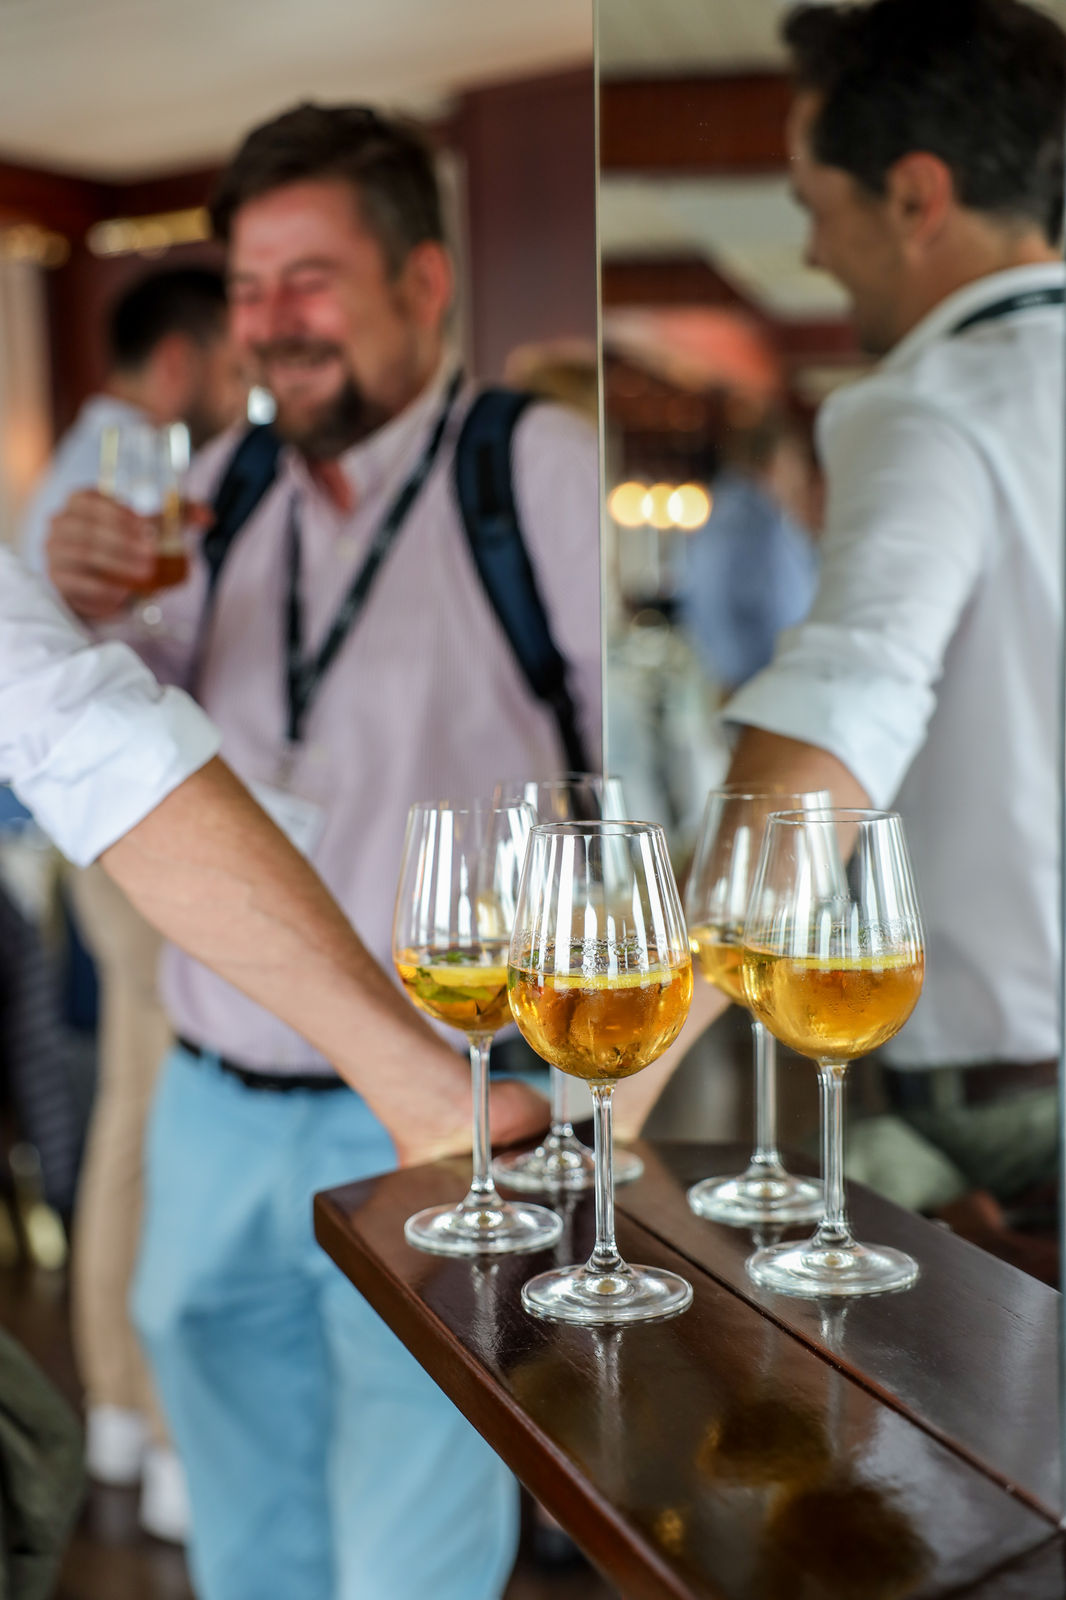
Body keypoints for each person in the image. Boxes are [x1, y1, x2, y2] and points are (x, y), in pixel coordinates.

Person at [45, 103, 600, 1599]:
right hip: (212, 1099)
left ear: (425, 281)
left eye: (309, 280)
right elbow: (136, 726)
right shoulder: (219, 482)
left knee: (415, 1537)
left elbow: (648, 770)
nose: (269, 323)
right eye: (246, 288)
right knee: (242, 1538)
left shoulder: (532, 470)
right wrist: (88, 610)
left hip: (433, 1104)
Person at [654, 0, 1065, 1262]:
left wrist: (610, 1084)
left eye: (814, 201)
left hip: (1013, 1112)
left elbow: (843, 705)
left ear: (914, 194)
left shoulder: (929, 408)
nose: (813, 247)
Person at [21, 265, 245, 1535]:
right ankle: (163, 1435)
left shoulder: (75, 464)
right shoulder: (133, 470)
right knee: (167, 1103)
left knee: (131, 1098)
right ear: (179, 362)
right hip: (136, 833)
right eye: (232, 361)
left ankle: (115, 1402)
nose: (242, 387)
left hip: (94, 838)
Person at [21, 265, 244, 576]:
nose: (243, 400)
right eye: (237, 374)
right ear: (175, 363)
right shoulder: (141, 484)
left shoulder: (82, 460)